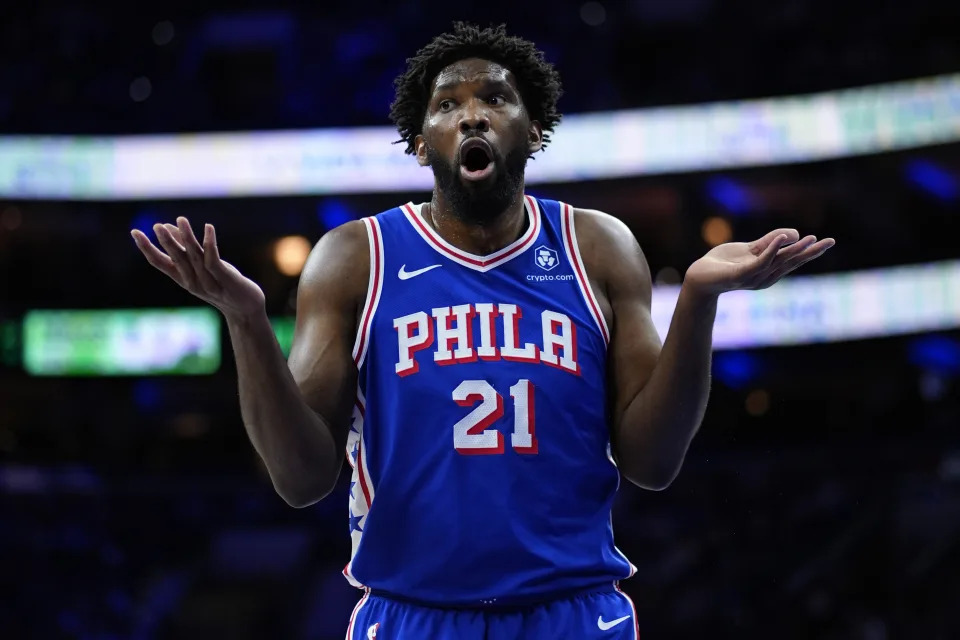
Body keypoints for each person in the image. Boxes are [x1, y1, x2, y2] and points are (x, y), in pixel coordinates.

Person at [131, 22, 834, 640]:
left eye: (494, 99)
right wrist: (248, 323)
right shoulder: (356, 257)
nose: (472, 116)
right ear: (419, 142)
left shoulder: (598, 246)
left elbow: (652, 461)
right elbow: (300, 477)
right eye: (448, 105)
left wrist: (700, 301)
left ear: (533, 129)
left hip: (572, 613)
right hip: (412, 614)